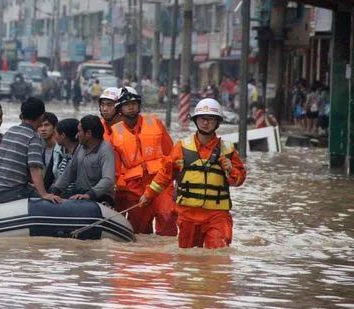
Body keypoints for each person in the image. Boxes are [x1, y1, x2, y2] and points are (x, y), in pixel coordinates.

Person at [139, 98, 246, 249]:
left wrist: (230, 169)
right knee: (187, 259)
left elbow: (239, 180)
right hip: (188, 214)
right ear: (196, 120)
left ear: (218, 122)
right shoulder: (181, 147)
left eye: (210, 119)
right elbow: (164, 175)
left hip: (217, 215)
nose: (206, 123)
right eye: (202, 119)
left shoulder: (228, 150)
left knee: (217, 255)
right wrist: (148, 195)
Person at [110, 86, 177, 235]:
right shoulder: (115, 133)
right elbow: (116, 167)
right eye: (127, 105)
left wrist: (172, 177)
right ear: (120, 109)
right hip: (135, 186)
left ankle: (165, 256)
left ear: (139, 105)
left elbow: (170, 152)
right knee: (139, 228)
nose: (131, 107)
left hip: (160, 181)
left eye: (133, 104)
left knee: (167, 216)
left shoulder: (155, 123)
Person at [0, 97, 63, 204]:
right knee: (47, 202)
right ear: (41, 116)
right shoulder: (33, 137)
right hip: (8, 192)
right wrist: (44, 194)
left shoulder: (11, 130)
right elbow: (35, 168)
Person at [51, 115, 115, 204]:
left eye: (79, 131)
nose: (77, 135)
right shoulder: (81, 147)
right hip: (80, 194)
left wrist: (89, 195)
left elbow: (108, 179)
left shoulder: (105, 149)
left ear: (88, 133)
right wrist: (55, 190)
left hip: (100, 197)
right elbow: (70, 172)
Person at [46, 118, 80, 192]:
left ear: (63, 135)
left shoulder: (80, 154)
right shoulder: (61, 151)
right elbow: (49, 177)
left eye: (55, 133)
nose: (54, 136)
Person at [38, 112, 59, 189]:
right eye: (40, 126)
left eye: (47, 125)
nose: (43, 129)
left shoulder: (61, 149)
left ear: (54, 127)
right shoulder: (39, 148)